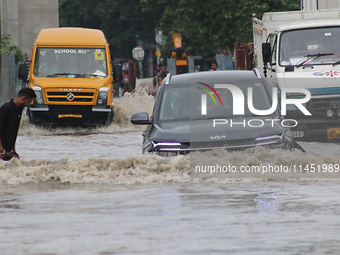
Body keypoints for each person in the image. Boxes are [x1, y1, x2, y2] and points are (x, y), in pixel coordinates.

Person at [0, 88, 37, 161]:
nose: (27, 105)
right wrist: (0, 147)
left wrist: (13, 150)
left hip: (9, 150)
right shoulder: (6, 108)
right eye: (28, 102)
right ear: (23, 99)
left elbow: (13, 130)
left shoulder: (19, 110)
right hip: (2, 150)